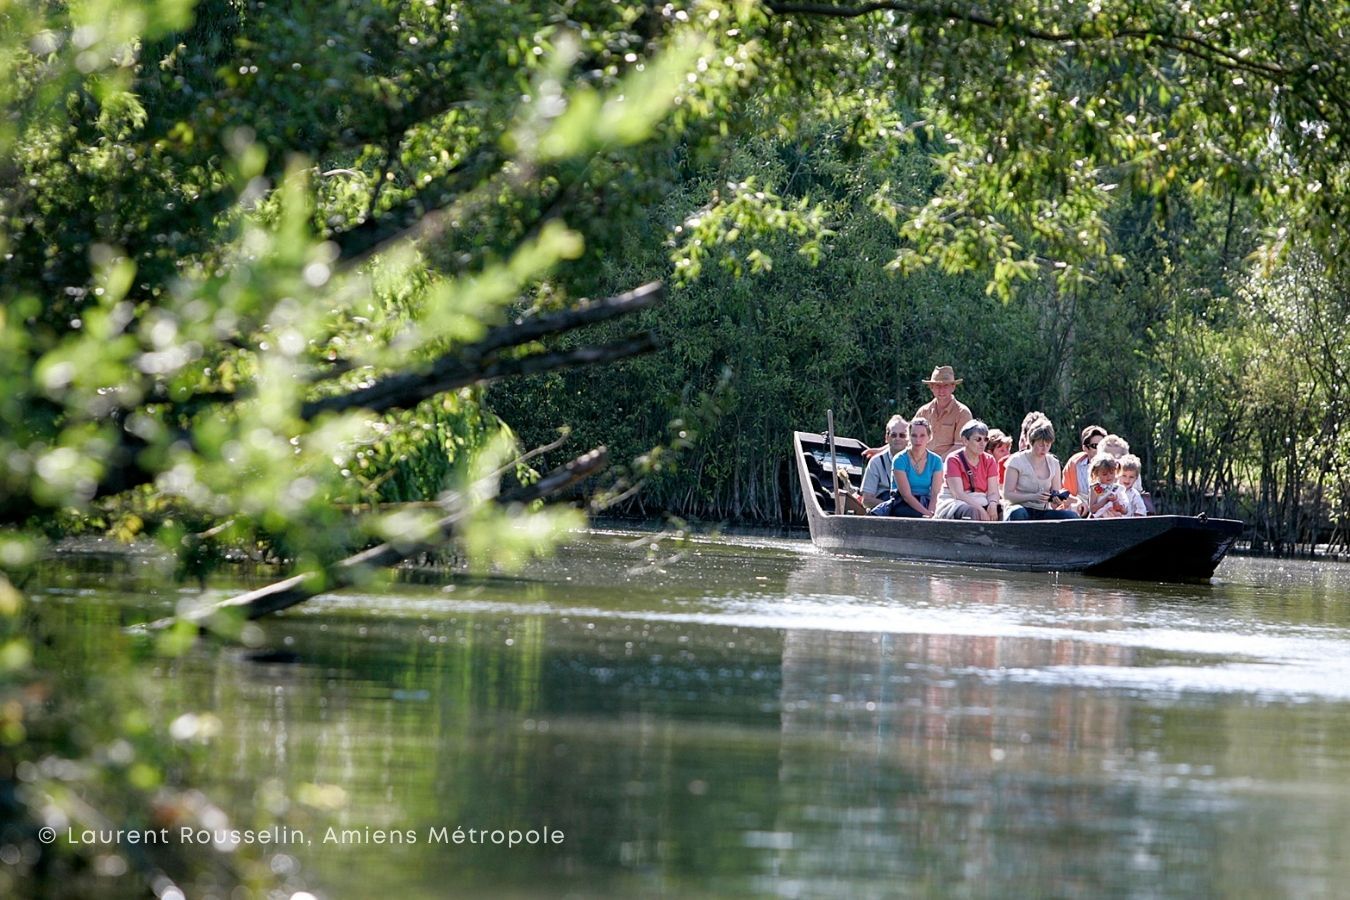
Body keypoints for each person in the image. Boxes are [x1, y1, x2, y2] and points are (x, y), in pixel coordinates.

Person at [1002, 417, 1079, 520]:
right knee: (1017, 513)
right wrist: (1033, 496)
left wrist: (1056, 499)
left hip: (1043, 511)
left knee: (1071, 517)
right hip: (1021, 508)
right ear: (1032, 442)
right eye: (1041, 445)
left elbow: (1055, 493)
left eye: (1048, 445)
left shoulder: (1054, 463)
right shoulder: (1016, 461)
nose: (1045, 449)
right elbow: (1007, 495)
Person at [934, 419, 1002, 520]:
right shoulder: (953, 459)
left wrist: (993, 505)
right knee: (971, 512)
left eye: (985, 439)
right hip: (956, 501)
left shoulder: (989, 460)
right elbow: (958, 494)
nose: (982, 443)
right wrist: (981, 510)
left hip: (982, 499)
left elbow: (993, 492)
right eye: (978, 439)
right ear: (965, 440)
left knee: (1005, 512)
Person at [912, 366, 974, 459]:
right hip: (921, 463)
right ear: (931, 387)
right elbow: (911, 439)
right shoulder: (923, 412)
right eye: (937, 386)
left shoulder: (962, 413)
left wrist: (936, 463)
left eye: (946, 386)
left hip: (949, 466)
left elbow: (960, 446)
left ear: (953, 387)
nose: (941, 390)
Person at [888, 417, 942, 518]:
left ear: (929, 437)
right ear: (909, 436)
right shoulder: (899, 459)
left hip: (926, 501)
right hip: (902, 503)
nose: (918, 440)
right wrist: (926, 514)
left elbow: (935, 493)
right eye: (914, 435)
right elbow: (906, 495)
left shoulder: (936, 460)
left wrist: (932, 513)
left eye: (922, 436)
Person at [861, 415, 909, 510]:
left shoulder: (918, 461)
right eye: (893, 435)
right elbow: (866, 500)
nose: (897, 438)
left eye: (902, 435)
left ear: (909, 439)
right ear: (887, 438)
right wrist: (893, 507)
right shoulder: (876, 462)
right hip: (883, 513)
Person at [1062, 424, 1108, 505]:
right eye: (1095, 446)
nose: (1099, 449)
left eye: (1102, 445)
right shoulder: (1074, 465)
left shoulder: (1114, 465)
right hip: (1079, 508)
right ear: (1085, 448)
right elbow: (1065, 493)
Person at [1088, 454, 1127, 518]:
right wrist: (1106, 499)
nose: (1109, 476)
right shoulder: (1096, 488)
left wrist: (1116, 502)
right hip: (1099, 520)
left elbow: (1125, 511)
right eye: (1104, 474)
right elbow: (1092, 509)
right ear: (1096, 473)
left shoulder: (1119, 488)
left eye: (1112, 473)